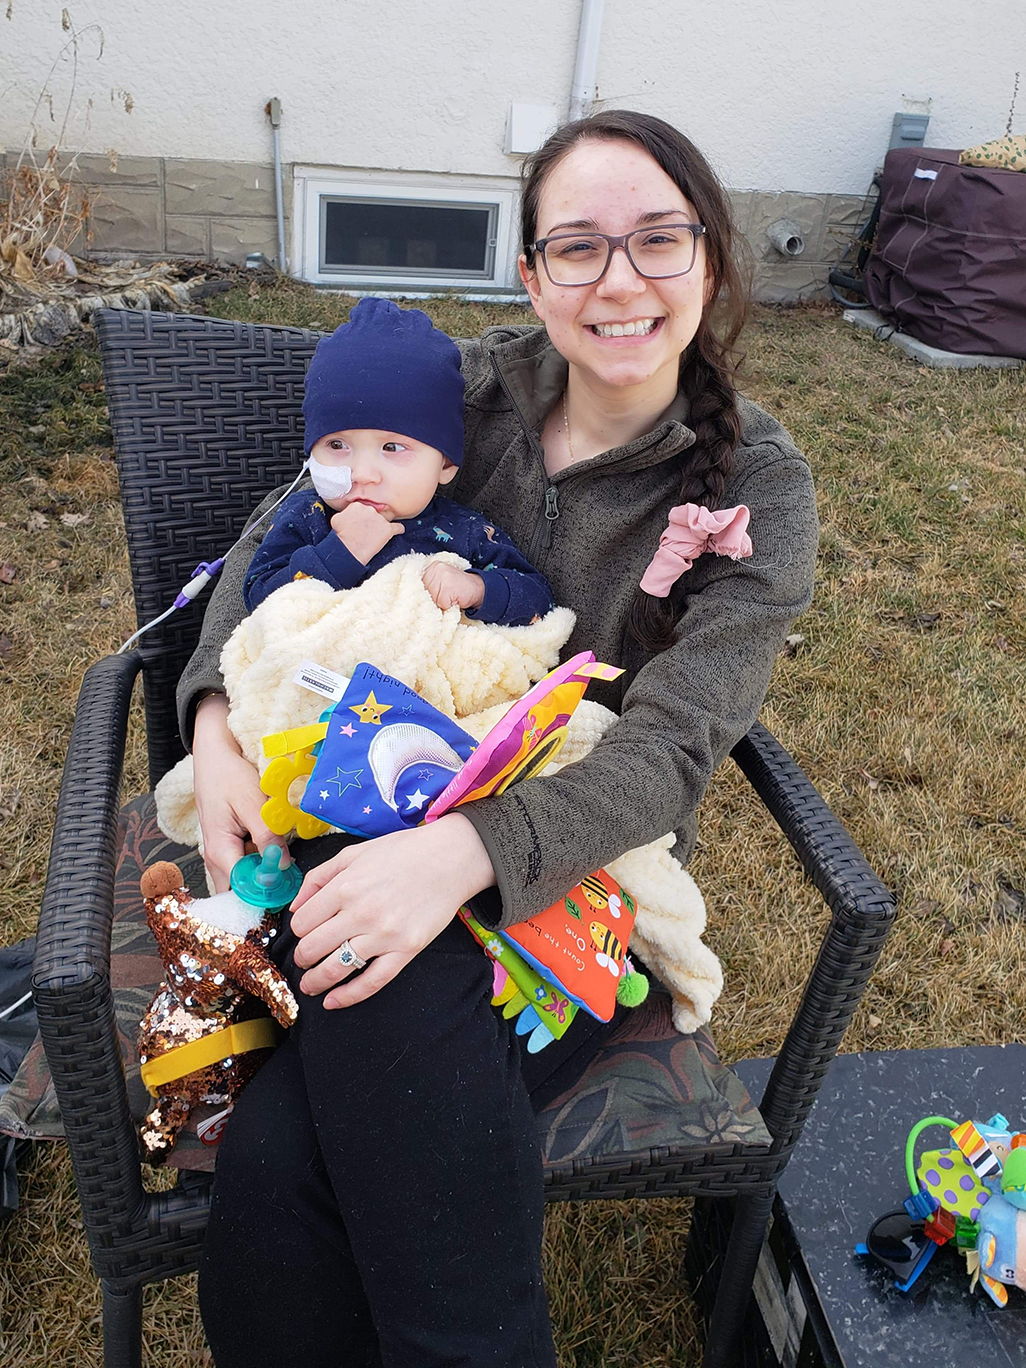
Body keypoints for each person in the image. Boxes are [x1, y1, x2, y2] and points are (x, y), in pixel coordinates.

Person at [182, 109, 819, 1367]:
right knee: (290, 1134)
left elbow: (677, 746)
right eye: (577, 248)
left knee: (293, 1118)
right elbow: (275, 533)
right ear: (531, 273)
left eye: (657, 240)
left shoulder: (757, 492)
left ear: (711, 259)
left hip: (570, 881)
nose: (620, 280)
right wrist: (212, 721)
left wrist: (468, 851)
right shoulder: (475, 393)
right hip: (364, 811)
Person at [243, 296, 554, 626]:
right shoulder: (308, 518)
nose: (362, 474)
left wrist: (477, 589)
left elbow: (538, 601)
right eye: (337, 444)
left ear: (446, 465)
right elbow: (258, 601)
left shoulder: (466, 532)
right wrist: (337, 555)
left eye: (392, 448)